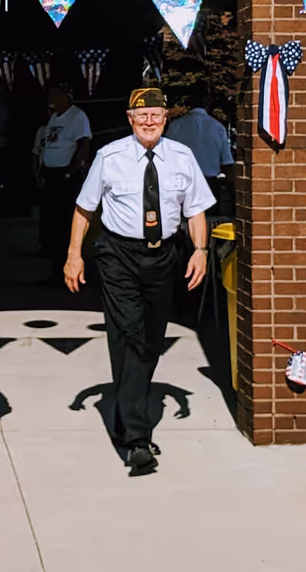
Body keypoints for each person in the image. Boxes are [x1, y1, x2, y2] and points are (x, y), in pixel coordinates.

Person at [64, 86, 212, 476]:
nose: (149, 122)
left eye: (157, 115)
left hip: (164, 256)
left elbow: (195, 210)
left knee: (149, 339)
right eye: (142, 115)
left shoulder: (182, 158)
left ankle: (123, 413)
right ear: (130, 118)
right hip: (119, 255)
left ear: (165, 118)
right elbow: (84, 208)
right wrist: (74, 254)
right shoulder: (109, 157)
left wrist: (200, 251)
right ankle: (136, 439)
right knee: (130, 335)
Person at [31, 84, 92, 264]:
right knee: (51, 221)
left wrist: (75, 167)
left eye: (56, 95)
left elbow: (84, 142)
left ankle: (68, 263)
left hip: (65, 174)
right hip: (50, 173)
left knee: (65, 221)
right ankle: (55, 263)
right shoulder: (53, 118)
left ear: (66, 96)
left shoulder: (77, 116)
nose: (51, 99)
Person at [162, 76, 235, 214]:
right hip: (210, 187)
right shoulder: (218, 128)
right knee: (210, 228)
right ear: (208, 100)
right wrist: (234, 192)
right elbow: (227, 164)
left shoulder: (175, 127)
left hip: (182, 187)